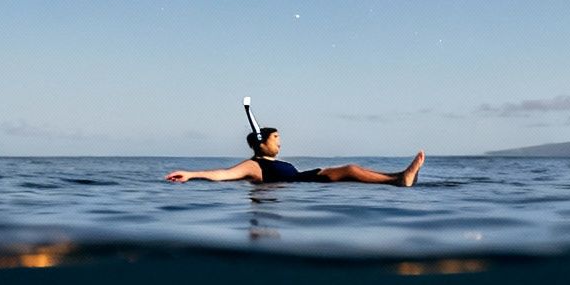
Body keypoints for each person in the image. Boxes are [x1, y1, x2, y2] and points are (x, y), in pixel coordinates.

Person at [165, 128, 425, 186]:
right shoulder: (254, 165)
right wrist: (191, 174)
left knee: (353, 169)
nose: (280, 142)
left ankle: (399, 177)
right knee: (351, 169)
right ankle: (399, 180)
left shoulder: (271, 163)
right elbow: (224, 174)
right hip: (307, 183)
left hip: (308, 179)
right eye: (276, 137)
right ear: (262, 143)